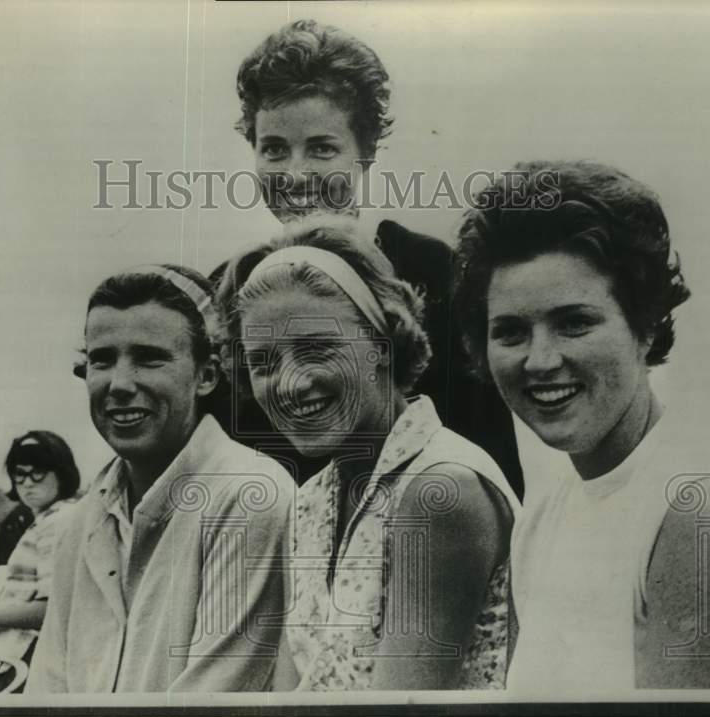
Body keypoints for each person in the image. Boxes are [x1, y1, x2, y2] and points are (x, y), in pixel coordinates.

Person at [453, 160, 710, 697]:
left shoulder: (704, 510)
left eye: (575, 322)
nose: (540, 360)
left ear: (647, 325)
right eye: (511, 332)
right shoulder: (541, 514)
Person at [216, 18, 524, 496]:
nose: (295, 174)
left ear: (367, 152)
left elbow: (487, 457)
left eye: (322, 148)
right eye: (274, 149)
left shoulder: (432, 271)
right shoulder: (234, 289)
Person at [215, 215, 519, 690]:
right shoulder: (311, 500)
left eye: (317, 348)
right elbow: (290, 701)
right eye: (263, 361)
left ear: (383, 341)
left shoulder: (443, 488)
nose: (291, 382)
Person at [26, 266, 294, 693]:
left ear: (207, 375)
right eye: (102, 360)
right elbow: (46, 696)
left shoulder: (249, 495)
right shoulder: (80, 522)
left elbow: (208, 714)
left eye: (149, 358)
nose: (119, 384)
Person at [0, 431, 80, 693]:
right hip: (19, 655)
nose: (28, 483)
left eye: (39, 472)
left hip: (30, 660)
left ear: (61, 473)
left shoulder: (59, 521)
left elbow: (55, 609)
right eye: (20, 473)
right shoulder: (46, 520)